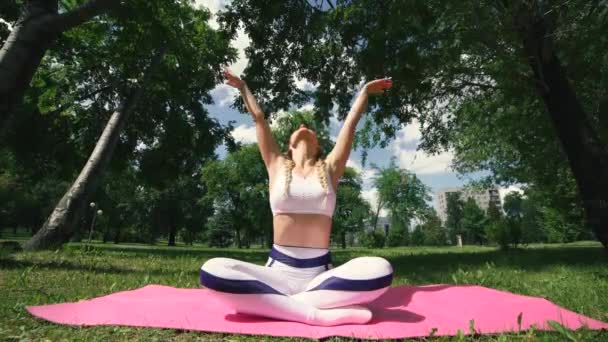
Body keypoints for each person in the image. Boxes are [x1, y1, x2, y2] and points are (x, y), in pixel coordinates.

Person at [200, 68, 394, 326]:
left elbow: (349, 124)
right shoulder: (276, 164)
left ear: (318, 145)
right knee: (212, 270)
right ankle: (314, 314)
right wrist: (243, 87)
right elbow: (259, 118)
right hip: (277, 273)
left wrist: (363, 93)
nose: (303, 126)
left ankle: (273, 304)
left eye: (309, 128)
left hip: (319, 276)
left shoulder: (329, 168)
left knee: (381, 268)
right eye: (298, 127)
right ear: (289, 145)